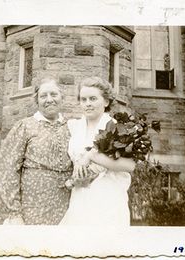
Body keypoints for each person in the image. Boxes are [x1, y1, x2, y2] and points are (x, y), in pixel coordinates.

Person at [0, 78, 73, 225]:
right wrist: (14, 213)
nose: (49, 100)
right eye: (43, 96)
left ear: (62, 97)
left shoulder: (72, 127)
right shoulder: (25, 127)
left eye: (54, 94)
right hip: (32, 207)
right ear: (37, 101)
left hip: (66, 207)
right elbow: (7, 169)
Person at [60, 76, 135, 226]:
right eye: (83, 99)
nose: (87, 104)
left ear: (106, 101)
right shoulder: (74, 127)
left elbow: (130, 166)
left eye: (93, 99)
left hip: (108, 197)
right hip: (80, 196)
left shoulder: (117, 128)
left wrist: (92, 156)